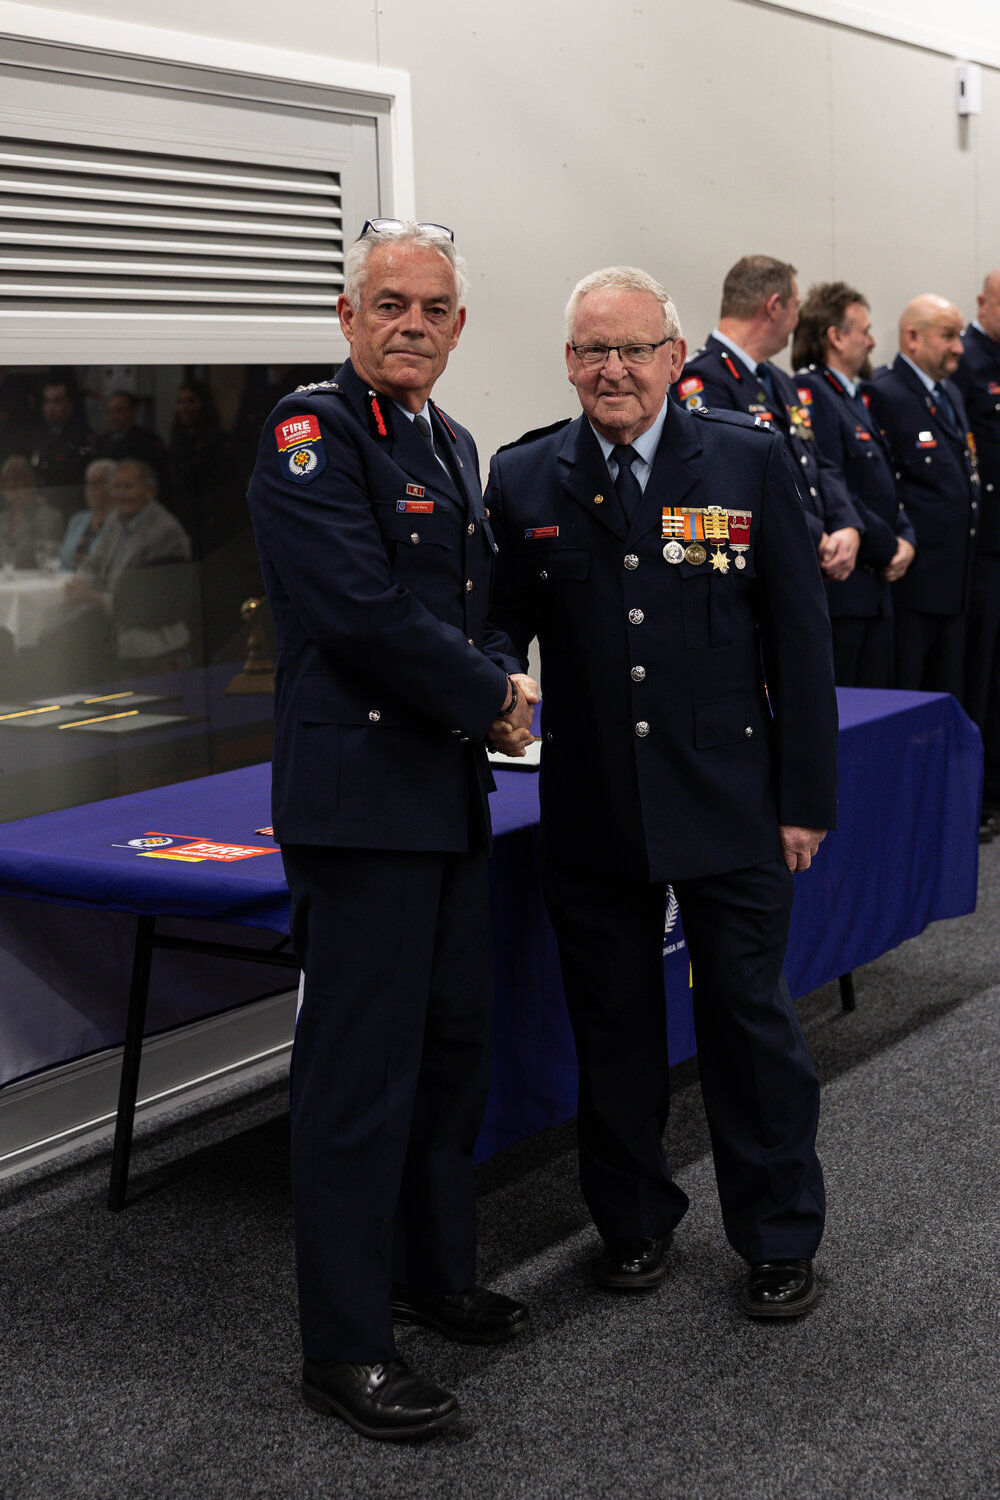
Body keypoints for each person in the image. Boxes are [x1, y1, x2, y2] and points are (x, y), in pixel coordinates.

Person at [486, 266, 838, 1319]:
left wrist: (804, 798)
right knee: (614, 1025)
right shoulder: (525, 476)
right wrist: (499, 672)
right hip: (595, 805)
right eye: (592, 350)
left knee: (748, 1023)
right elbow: (500, 619)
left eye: (634, 349)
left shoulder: (744, 456)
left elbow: (799, 638)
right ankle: (632, 1222)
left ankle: (777, 1236)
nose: (612, 370)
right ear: (567, 362)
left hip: (731, 797)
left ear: (672, 359)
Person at [246, 219, 536, 1441]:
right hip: (362, 806)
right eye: (388, 304)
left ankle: (427, 1269)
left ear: (459, 325)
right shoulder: (307, 435)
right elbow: (360, 613)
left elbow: (462, 604)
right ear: (347, 314)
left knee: (450, 1048)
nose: (410, 324)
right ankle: (345, 1348)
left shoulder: (448, 438)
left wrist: (495, 679)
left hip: (442, 794)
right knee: (358, 1081)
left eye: (433, 308)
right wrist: (491, 695)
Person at [673, 254, 862, 584]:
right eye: (796, 306)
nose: (799, 319)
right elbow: (732, 484)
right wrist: (817, 536)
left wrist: (847, 524)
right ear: (774, 306)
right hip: (761, 574)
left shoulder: (778, 379)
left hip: (807, 562)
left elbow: (815, 459)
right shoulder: (703, 380)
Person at [792, 283, 916, 687]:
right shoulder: (813, 395)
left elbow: (886, 484)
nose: (872, 340)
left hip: (874, 587)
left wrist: (906, 538)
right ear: (836, 336)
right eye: (864, 330)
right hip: (846, 587)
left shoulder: (853, 398)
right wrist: (888, 547)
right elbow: (833, 489)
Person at [869, 296, 980, 707]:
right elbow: (881, 486)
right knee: (907, 700)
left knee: (947, 701)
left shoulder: (948, 392)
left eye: (960, 336)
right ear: (912, 338)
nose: (959, 347)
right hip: (913, 589)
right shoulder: (885, 393)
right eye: (948, 336)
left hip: (954, 586)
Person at [62, 457, 192, 675]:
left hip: (152, 637)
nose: (121, 494)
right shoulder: (116, 520)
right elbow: (95, 562)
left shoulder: (165, 532)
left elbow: (150, 604)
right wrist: (80, 581)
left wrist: (94, 598)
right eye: (117, 487)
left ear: (149, 491)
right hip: (113, 625)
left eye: (129, 487)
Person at [953, 268, 1000, 819]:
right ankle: (979, 795)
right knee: (979, 671)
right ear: (983, 302)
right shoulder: (965, 361)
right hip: (982, 547)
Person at [29, 376, 92, 514]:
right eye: (47, 401)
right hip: (40, 505)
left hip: (70, 507)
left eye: (57, 401)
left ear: (69, 405)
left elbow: (77, 479)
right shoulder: (36, 435)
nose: (51, 408)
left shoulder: (81, 437)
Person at [0, 454, 62, 569]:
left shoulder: (48, 517)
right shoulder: (2, 520)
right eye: (6, 479)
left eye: (17, 478)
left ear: (30, 482)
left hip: (37, 585)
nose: (11, 484)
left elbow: (47, 559)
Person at [60, 457, 116, 571]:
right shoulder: (77, 520)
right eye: (88, 484)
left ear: (114, 486)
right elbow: (63, 561)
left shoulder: (119, 523)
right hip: (68, 583)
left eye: (98, 484)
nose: (91, 489)